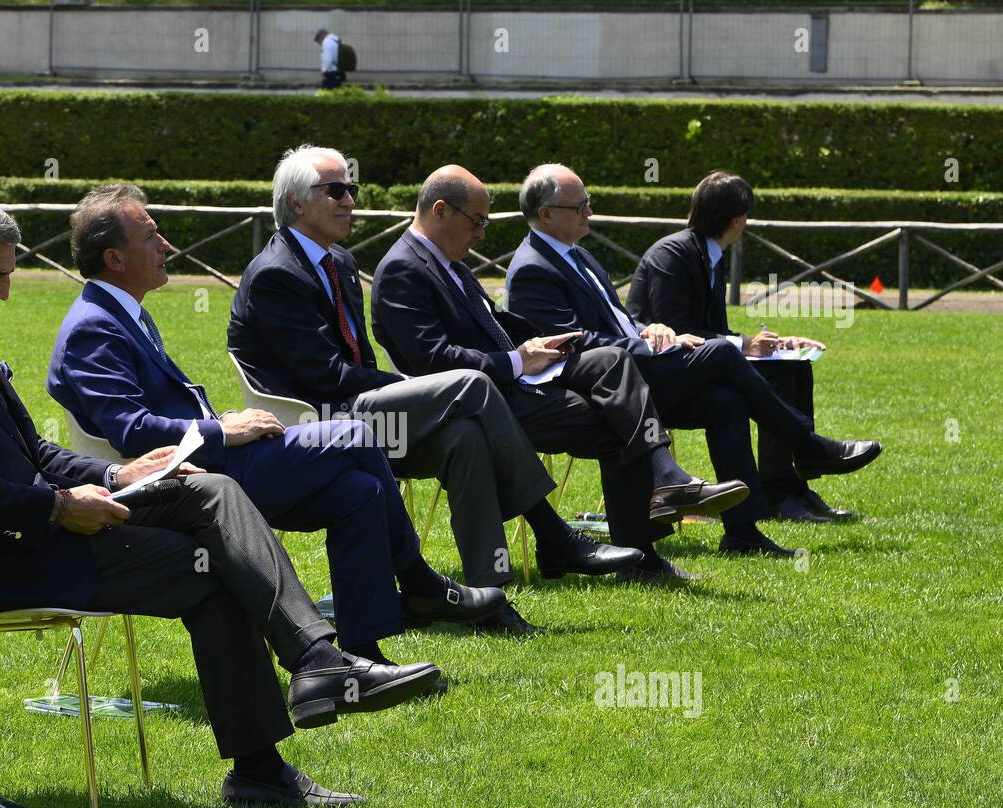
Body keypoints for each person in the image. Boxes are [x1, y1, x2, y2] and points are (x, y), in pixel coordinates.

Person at [0, 185, 443, 808]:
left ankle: (311, 676)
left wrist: (122, 475)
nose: (5, 291)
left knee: (210, 490)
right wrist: (55, 507)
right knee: (215, 566)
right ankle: (277, 744)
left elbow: (37, 456)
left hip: (38, 531)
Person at [46, 183, 506, 665]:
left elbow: (154, 416)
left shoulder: (120, 314)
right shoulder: (93, 327)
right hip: (185, 485)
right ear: (115, 259)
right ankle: (417, 580)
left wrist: (222, 420)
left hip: (215, 466)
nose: (166, 246)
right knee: (356, 434)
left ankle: (364, 651)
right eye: (151, 237)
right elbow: (130, 431)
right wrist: (225, 430)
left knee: (359, 493)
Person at [228, 145, 652, 630]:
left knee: (464, 438)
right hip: (319, 425)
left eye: (352, 188)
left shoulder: (339, 262)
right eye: (337, 190)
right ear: (297, 203)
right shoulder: (274, 275)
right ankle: (554, 535)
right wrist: (409, 385)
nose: (350, 200)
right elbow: (328, 377)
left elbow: (358, 361)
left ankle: (488, 598)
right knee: (469, 386)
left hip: (365, 416)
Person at [371, 165, 750, 581]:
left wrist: (547, 341)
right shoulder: (402, 269)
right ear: (440, 210)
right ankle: (637, 548)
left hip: (515, 382)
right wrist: (518, 361)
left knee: (610, 360)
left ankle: (662, 490)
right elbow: (433, 360)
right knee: (618, 420)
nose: (482, 233)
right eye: (477, 221)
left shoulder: (449, 263)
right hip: (478, 403)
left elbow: (496, 322)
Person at [507, 164, 882, 556]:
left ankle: (743, 533)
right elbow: (572, 344)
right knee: (720, 352)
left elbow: (619, 320)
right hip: (602, 389)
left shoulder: (578, 255)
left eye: (589, 203)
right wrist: (647, 345)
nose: (589, 212)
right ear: (547, 214)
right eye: (580, 205)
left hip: (632, 371)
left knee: (727, 401)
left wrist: (648, 330)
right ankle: (805, 445)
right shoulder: (533, 269)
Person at [627, 171, 880, 522]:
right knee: (773, 374)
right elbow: (678, 332)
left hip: (695, 366)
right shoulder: (673, 254)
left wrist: (777, 344)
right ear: (736, 220)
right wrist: (744, 344)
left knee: (791, 364)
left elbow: (712, 332)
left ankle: (792, 485)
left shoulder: (706, 255)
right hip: (659, 377)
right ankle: (795, 464)